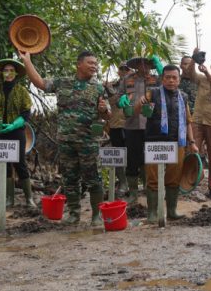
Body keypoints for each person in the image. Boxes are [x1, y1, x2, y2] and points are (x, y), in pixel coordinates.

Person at [21, 50, 110, 225]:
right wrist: (27, 61)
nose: (94, 66)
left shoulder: (98, 87)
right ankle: (74, 214)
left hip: (88, 141)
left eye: (95, 64)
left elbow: (108, 114)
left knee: (93, 178)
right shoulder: (63, 82)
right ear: (79, 64)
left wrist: (103, 110)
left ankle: (96, 215)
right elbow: (39, 82)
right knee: (70, 179)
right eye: (90, 63)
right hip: (66, 141)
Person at [143, 64, 199, 223]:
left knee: (174, 177)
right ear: (162, 79)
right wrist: (141, 102)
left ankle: (172, 211)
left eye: (174, 77)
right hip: (154, 142)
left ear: (179, 80)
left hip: (177, 142)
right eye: (167, 77)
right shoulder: (152, 92)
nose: (171, 80)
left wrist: (192, 142)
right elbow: (138, 110)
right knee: (153, 178)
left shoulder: (184, 97)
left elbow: (188, 121)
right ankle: (152, 213)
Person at [0, 59, 35, 207]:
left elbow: (26, 113)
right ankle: (9, 198)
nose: (9, 73)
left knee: (20, 163)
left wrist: (13, 125)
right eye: (6, 70)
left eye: (12, 70)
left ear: (16, 73)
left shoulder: (22, 91)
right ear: (1, 73)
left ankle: (29, 198)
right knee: (3, 164)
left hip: (16, 131)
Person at [184, 52, 211, 200]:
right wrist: (194, 58)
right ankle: (191, 181)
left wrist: (208, 75)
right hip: (197, 120)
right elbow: (189, 73)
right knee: (192, 151)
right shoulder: (201, 78)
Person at [115, 56, 153, 204]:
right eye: (140, 64)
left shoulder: (156, 79)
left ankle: (149, 189)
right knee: (132, 159)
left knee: (149, 158)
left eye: (147, 64)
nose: (144, 66)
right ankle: (133, 193)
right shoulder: (127, 79)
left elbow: (170, 85)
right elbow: (118, 98)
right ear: (136, 66)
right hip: (132, 124)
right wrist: (121, 100)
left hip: (151, 125)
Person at [105, 62, 129, 196]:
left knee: (134, 155)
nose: (124, 71)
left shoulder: (136, 85)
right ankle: (123, 183)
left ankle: (134, 184)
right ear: (118, 71)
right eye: (122, 69)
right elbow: (101, 104)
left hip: (133, 125)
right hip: (115, 125)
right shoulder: (110, 86)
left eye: (127, 69)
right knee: (118, 156)